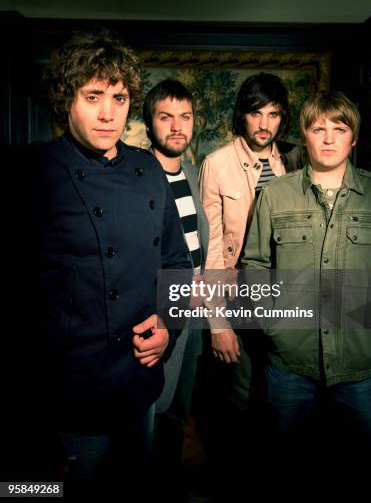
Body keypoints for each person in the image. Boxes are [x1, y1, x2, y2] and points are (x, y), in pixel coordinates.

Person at [16, 33, 191, 497]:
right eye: (92, 97)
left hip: (139, 383)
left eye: (119, 97)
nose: (109, 113)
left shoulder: (149, 168)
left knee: (134, 489)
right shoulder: (32, 173)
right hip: (69, 397)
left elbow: (176, 261)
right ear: (65, 97)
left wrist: (169, 328)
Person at [242, 90, 371, 486]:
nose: (329, 138)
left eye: (339, 128)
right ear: (305, 135)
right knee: (287, 470)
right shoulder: (275, 195)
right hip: (289, 367)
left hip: (361, 369)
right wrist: (273, 324)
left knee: (357, 472)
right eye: (318, 128)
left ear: (353, 138)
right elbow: (254, 264)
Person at [199, 72, 303, 407]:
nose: (264, 123)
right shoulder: (217, 165)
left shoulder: (295, 161)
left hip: (286, 295)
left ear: (282, 118)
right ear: (242, 115)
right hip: (237, 296)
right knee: (241, 397)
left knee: (283, 395)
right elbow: (210, 250)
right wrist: (218, 323)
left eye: (272, 114)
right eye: (255, 112)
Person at [142, 79, 208, 489]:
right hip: (160, 311)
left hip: (195, 308)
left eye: (184, 117)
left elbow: (197, 242)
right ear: (149, 124)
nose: (177, 126)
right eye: (166, 117)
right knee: (153, 409)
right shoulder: (139, 174)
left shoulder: (189, 172)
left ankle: (167, 483)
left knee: (178, 410)